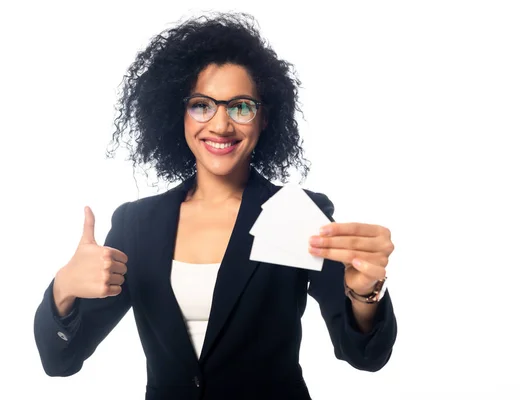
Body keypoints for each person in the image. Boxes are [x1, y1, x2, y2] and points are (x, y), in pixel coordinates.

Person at [33, 12, 397, 400]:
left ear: (264, 117)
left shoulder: (297, 214)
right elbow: (61, 361)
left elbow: (365, 356)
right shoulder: (136, 225)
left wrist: (364, 293)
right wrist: (64, 288)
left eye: (240, 107)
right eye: (202, 105)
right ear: (179, 114)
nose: (221, 125)